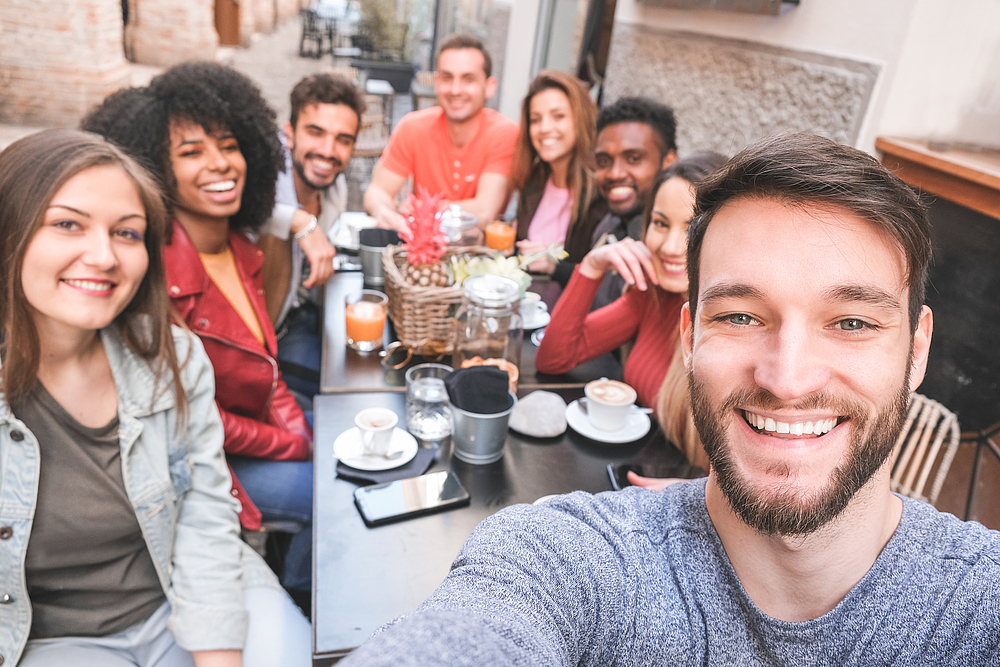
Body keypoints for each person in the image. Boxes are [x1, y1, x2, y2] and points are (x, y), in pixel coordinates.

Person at [339, 133, 1000, 665]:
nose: (788, 377)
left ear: (917, 350)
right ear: (692, 336)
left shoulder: (977, 605)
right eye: (741, 315)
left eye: (852, 322)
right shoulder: (569, 559)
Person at [0, 129, 310, 666]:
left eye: (127, 233)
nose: (102, 256)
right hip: (52, 638)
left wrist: (218, 653)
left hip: (185, 588)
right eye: (67, 224)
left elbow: (205, 509)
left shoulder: (171, 354)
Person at [81, 62, 314, 597]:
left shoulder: (242, 249)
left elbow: (267, 365)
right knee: (332, 495)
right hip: (204, 467)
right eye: (191, 153)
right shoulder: (151, 280)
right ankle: (305, 608)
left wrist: (299, 431)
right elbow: (192, 418)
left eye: (229, 145)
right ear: (153, 170)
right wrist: (291, 444)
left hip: (256, 440)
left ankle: (295, 582)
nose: (220, 164)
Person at [536, 153, 726, 410]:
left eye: (692, 228)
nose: (670, 247)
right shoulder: (651, 297)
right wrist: (592, 267)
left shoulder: (733, 327)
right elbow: (553, 358)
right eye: (660, 223)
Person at [258, 73, 367, 401]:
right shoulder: (261, 173)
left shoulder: (335, 188)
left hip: (301, 316)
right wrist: (298, 220)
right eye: (315, 132)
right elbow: (243, 212)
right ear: (289, 133)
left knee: (355, 383)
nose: (328, 151)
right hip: (261, 339)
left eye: (343, 140)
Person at [363, 33, 519, 233]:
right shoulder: (413, 127)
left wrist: (423, 209)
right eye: (447, 78)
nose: (455, 90)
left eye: (468, 79)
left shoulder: (504, 133)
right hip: (420, 249)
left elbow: (484, 211)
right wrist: (384, 211)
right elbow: (376, 192)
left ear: (489, 87)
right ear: (436, 83)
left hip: (477, 254)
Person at [547, 96, 678, 300]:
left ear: (668, 161)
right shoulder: (607, 225)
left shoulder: (670, 252)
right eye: (604, 161)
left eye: (634, 159)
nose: (615, 173)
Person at [507, 70, 598, 274]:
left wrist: (554, 267)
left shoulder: (599, 195)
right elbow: (521, 252)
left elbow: (604, 283)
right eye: (535, 119)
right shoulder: (533, 180)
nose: (545, 128)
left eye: (558, 116)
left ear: (580, 119)